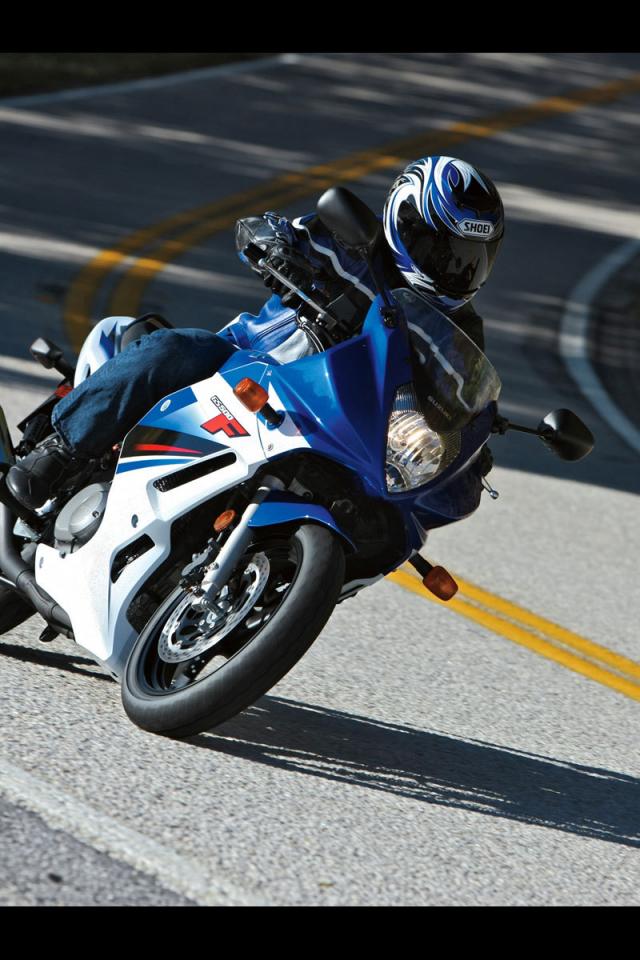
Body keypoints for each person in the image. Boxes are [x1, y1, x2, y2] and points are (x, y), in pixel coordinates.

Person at [7, 156, 504, 511]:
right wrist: (274, 246)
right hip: (242, 366)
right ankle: (59, 453)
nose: (455, 267)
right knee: (175, 349)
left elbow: (462, 398)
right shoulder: (351, 242)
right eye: (443, 249)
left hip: (332, 422)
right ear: (404, 221)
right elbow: (273, 230)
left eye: (470, 258)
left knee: (385, 513)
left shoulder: (461, 330)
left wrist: (472, 441)